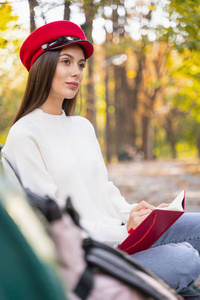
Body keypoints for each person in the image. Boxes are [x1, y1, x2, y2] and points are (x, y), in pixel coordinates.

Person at [1, 20, 200, 297]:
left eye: (80, 65)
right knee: (184, 259)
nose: (76, 73)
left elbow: (105, 191)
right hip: (88, 260)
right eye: (66, 62)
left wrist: (139, 216)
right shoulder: (24, 134)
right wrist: (122, 231)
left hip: (121, 241)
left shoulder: (81, 126)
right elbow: (53, 224)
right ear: (42, 66)